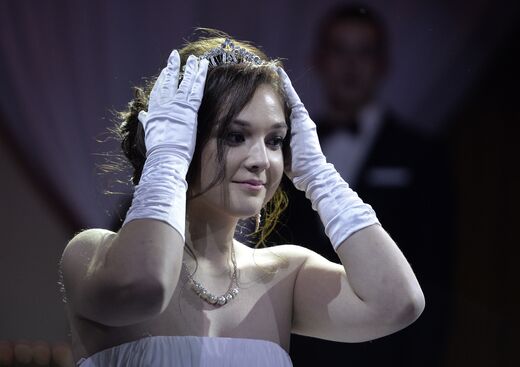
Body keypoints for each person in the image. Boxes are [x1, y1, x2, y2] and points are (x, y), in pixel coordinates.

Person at [58, 31, 425, 366]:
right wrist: (167, 159)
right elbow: (145, 287)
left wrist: (319, 176)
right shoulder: (90, 252)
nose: (261, 161)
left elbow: (398, 302)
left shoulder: (285, 273)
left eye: (275, 140)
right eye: (235, 136)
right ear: (183, 136)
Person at [279, 5, 454, 366]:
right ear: (319, 59)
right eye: (340, 50)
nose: (351, 66)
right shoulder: (281, 146)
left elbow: (436, 271)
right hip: (305, 348)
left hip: (388, 350)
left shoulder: (422, 155)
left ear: (383, 63)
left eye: (364, 52)